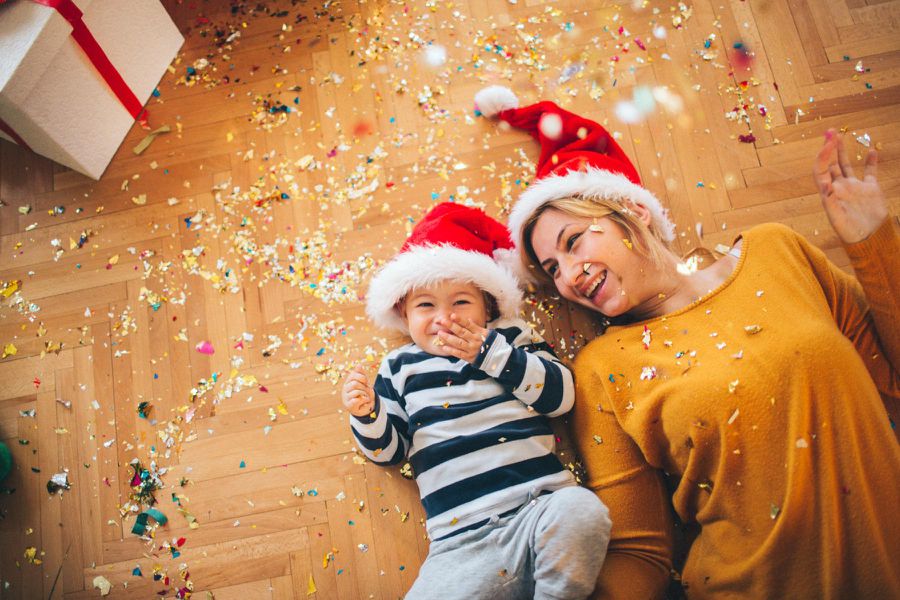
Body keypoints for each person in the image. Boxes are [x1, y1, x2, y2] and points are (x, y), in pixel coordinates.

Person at [475, 85, 899, 598]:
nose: (567, 275)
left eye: (573, 242)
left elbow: (892, 381)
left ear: (634, 213)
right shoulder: (601, 367)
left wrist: (873, 240)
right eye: (552, 269)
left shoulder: (775, 250)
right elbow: (641, 552)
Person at [343, 202, 612, 600]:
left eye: (461, 302)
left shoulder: (510, 339)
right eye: (425, 305)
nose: (445, 317)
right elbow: (390, 452)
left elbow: (561, 397)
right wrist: (367, 414)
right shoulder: (399, 366)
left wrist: (492, 353)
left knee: (583, 511)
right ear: (404, 313)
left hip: (538, 510)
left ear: (488, 306)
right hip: (459, 542)